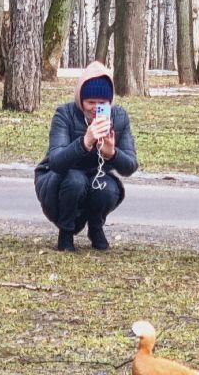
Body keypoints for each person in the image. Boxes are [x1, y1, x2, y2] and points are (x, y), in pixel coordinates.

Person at [35, 62, 138, 251]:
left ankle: (96, 228)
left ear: (110, 102)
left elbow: (130, 166)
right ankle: (65, 233)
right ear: (80, 99)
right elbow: (56, 162)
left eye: (102, 104)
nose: (95, 108)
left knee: (106, 187)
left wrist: (112, 153)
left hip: (96, 178)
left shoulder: (119, 117)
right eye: (90, 102)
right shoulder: (64, 114)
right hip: (59, 179)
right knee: (76, 180)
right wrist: (85, 142)